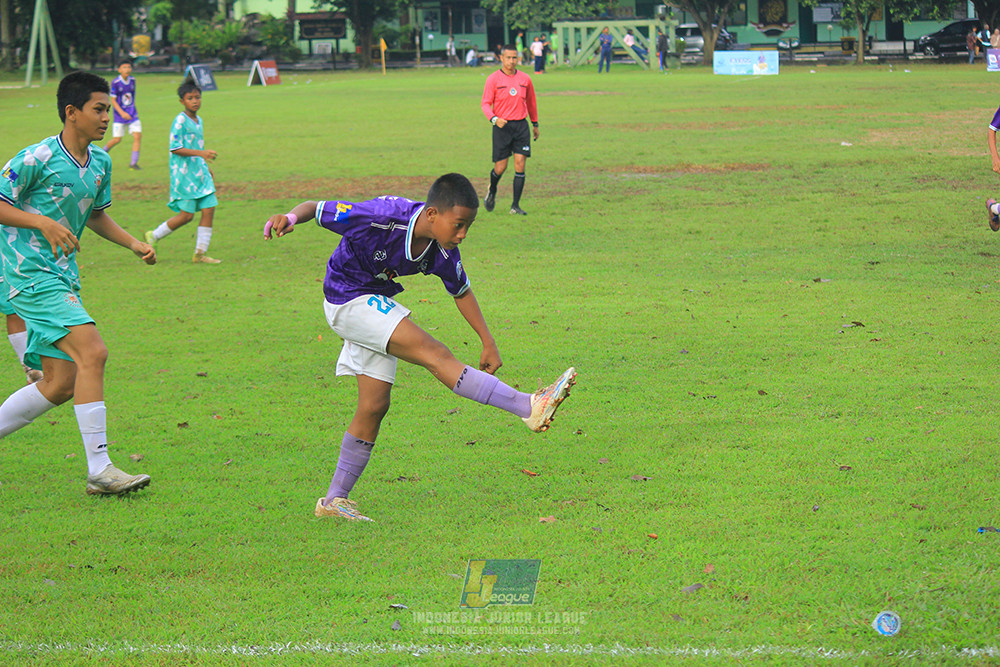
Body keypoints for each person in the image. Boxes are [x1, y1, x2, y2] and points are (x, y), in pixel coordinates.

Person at [261, 173, 577, 521]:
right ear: (431, 215)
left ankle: (334, 501)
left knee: (374, 404)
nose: (463, 234)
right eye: (458, 225)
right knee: (435, 353)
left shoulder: (443, 250)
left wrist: (488, 341)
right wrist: (289, 217)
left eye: (468, 226)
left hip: (373, 301)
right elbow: (315, 207)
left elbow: (461, 291)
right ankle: (527, 406)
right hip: (346, 298)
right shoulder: (381, 217)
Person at [0, 71, 155, 495]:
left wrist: (132, 243)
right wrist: (41, 222)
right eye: (99, 109)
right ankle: (100, 469)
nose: (107, 118)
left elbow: (96, 214)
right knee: (93, 351)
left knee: (61, 382)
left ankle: (99, 469)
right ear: (72, 112)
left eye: (108, 110)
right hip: (30, 274)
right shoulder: (36, 158)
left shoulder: (100, 162)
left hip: (63, 275)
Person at [144, 82, 221, 264]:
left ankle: (200, 254)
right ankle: (154, 235)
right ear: (182, 101)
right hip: (184, 175)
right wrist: (202, 154)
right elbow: (175, 148)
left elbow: (197, 146)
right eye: (190, 98)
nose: (195, 101)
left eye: (197, 97)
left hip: (199, 173)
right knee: (186, 216)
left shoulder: (199, 120)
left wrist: (205, 166)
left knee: (209, 209)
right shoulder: (180, 121)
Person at [480, 45, 539, 216]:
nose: (512, 61)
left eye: (515, 58)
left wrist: (535, 124)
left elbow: (531, 102)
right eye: (508, 58)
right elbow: (485, 103)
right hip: (502, 127)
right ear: (501, 58)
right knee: (501, 167)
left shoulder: (525, 79)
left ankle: (515, 206)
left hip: (521, 126)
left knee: (520, 164)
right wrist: (494, 119)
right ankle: (492, 190)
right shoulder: (493, 79)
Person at [102, 60, 142, 170]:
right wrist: (122, 113)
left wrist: (131, 110)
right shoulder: (115, 82)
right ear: (119, 69)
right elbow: (113, 100)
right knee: (117, 139)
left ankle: (133, 163)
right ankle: (102, 153)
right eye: (124, 67)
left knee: (137, 136)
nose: (127, 69)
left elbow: (132, 96)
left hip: (132, 114)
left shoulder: (132, 80)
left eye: (129, 67)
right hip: (119, 116)